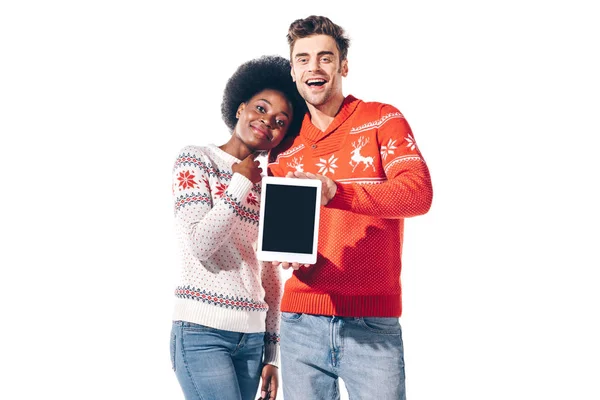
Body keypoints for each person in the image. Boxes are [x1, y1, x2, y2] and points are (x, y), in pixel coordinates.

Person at [267, 16, 434, 399]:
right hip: (300, 321)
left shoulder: (382, 120)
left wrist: (337, 192)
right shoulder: (283, 144)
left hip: (372, 324)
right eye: (304, 59)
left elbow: (418, 193)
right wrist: (281, 251)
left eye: (325, 58)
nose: (314, 67)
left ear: (343, 66)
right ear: (293, 70)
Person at [170, 55, 305, 400]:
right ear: (240, 107)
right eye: (260, 108)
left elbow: (271, 277)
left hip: (253, 340)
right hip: (203, 333)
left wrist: (272, 353)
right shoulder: (195, 159)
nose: (266, 122)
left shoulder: (272, 188)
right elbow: (202, 244)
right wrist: (239, 183)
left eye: (280, 121)